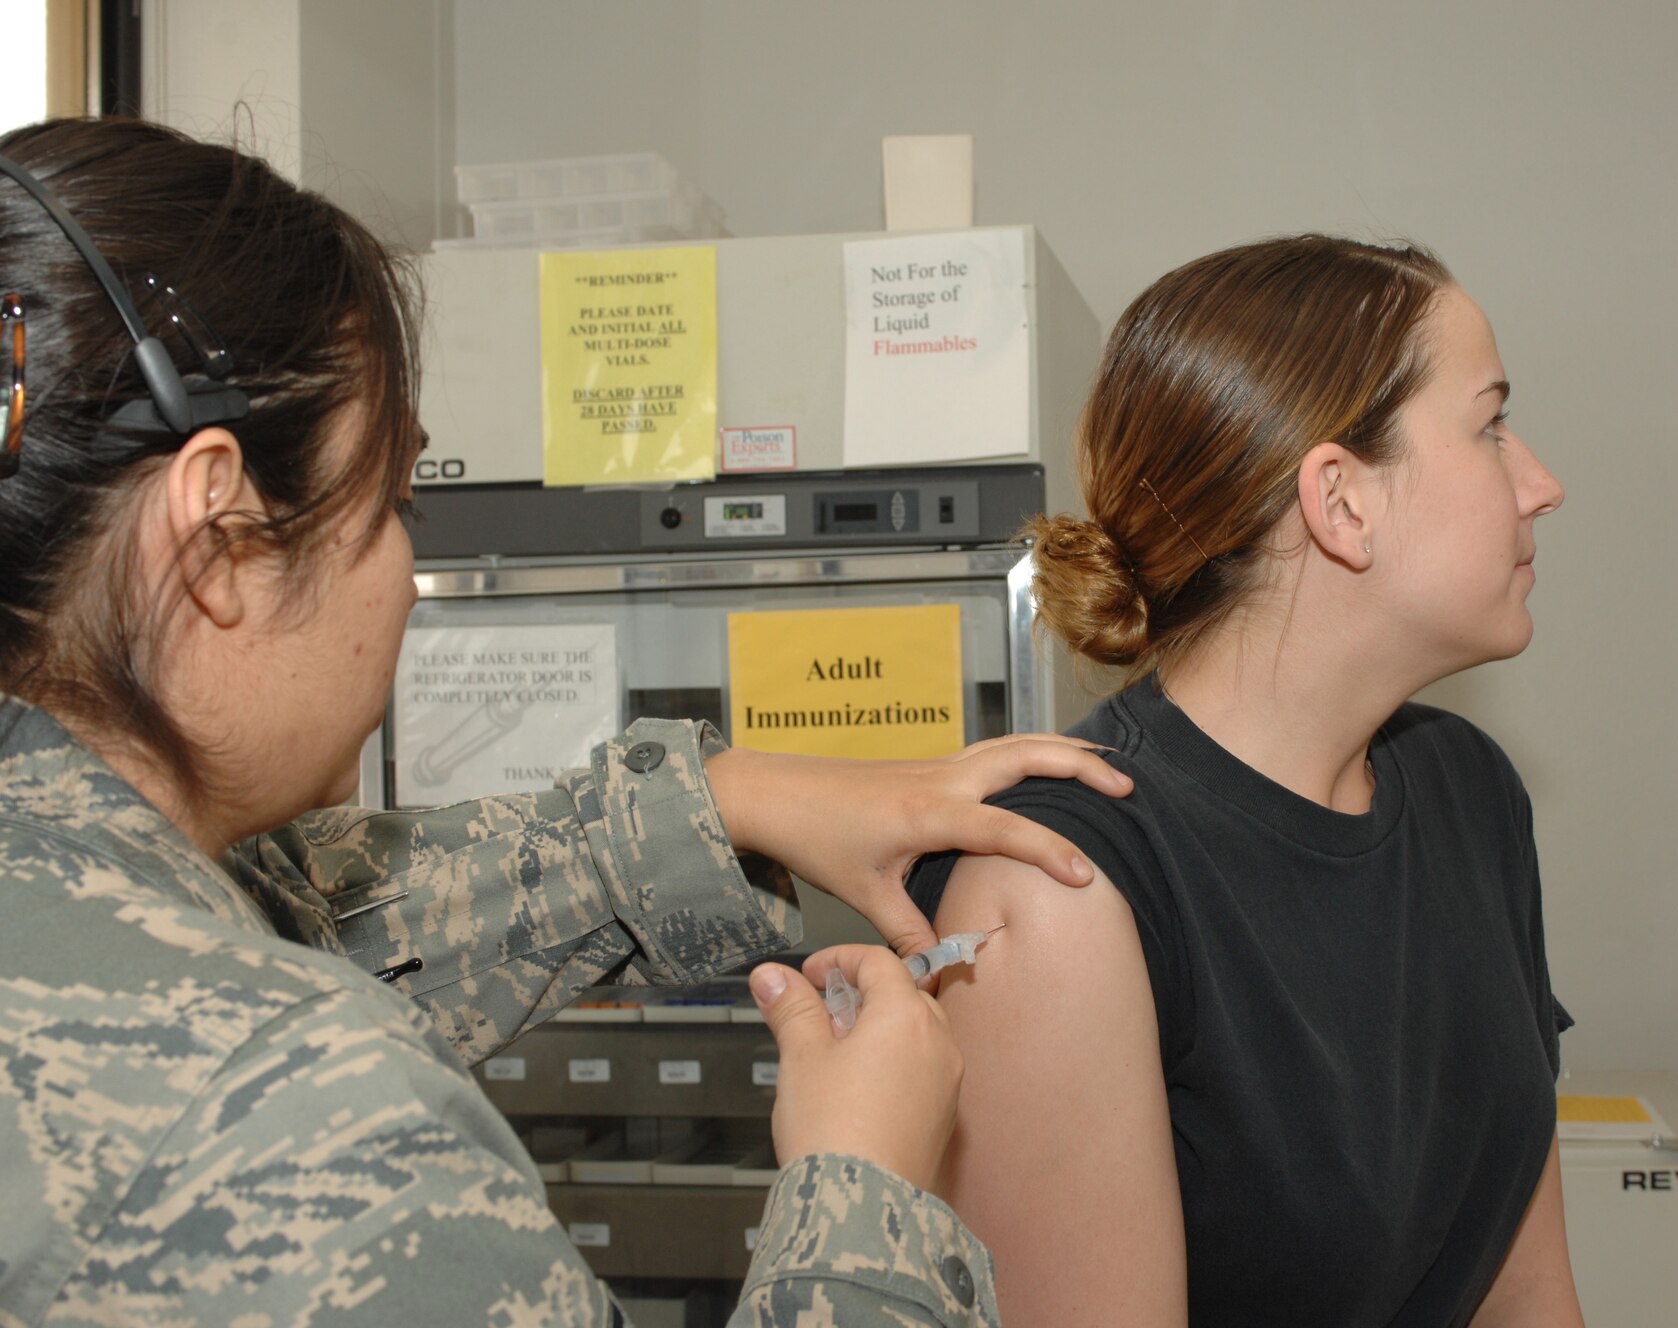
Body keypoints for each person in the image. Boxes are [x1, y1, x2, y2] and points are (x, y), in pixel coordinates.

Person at [0, 117, 1133, 1327]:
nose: (401, 579)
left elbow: (327, 908)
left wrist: (732, 797)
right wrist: (860, 1192)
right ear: (219, 540)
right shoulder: (305, 1125)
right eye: (391, 506)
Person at [907, 235, 1583, 1326]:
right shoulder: (1059, 884)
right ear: (1341, 501)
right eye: (1489, 424)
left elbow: (1521, 1287)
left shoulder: (1469, 793)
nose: (1540, 484)